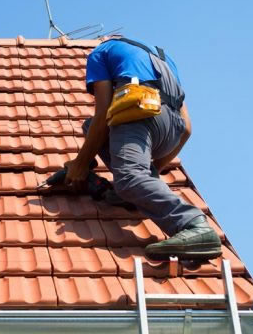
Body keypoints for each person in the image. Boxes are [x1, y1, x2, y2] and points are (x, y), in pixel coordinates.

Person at [63, 37, 221, 261]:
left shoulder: (100, 53)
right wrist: (153, 170)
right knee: (91, 129)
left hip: (140, 113)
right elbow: (187, 129)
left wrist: (80, 164)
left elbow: (102, 116)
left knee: (127, 177)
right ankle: (139, 189)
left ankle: (193, 224)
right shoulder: (164, 59)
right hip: (171, 130)